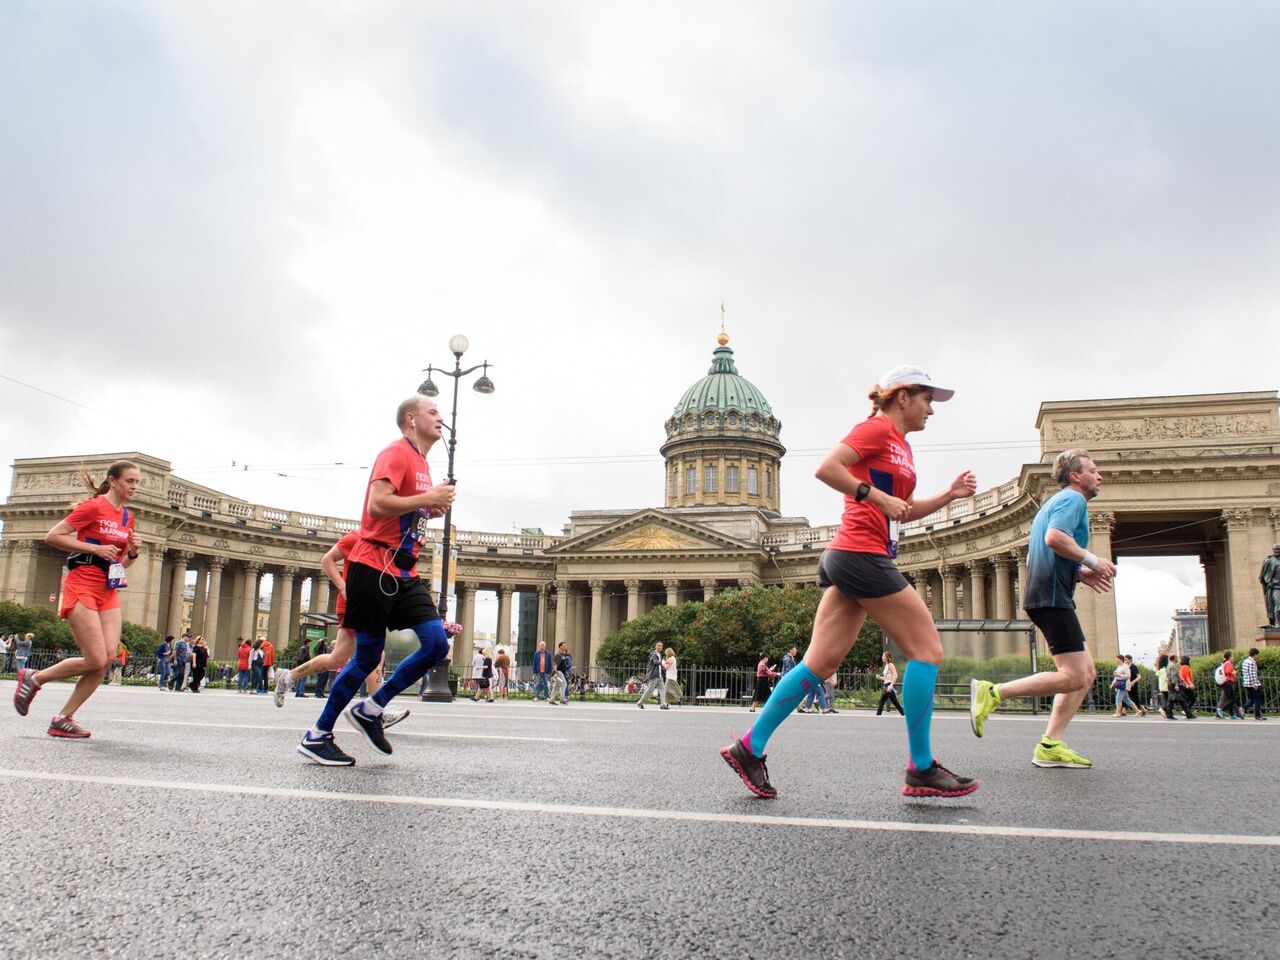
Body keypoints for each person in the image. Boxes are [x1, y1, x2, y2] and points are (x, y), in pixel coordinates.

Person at [724, 367, 980, 798]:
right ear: (903, 396)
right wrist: (875, 496)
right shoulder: (875, 429)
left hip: (854, 555)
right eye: (927, 399)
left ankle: (749, 747)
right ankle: (920, 767)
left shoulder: (901, 446)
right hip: (860, 553)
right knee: (927, 650)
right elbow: (828, 468)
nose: (932, 409)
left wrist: (948, 496)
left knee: (819, 664)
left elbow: (903, 510)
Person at [297, 395, 456, 766]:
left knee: (435, 644)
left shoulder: (421, 463)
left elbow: (403, 511)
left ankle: (372, 708)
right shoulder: (396, 453)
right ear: (410, 419)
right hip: (374, 567)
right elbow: (377, 505)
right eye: (432, 412)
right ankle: (317, 735)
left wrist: (428, 508)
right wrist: (427, 497)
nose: (440, 419)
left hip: (405, 570)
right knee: (365, 657)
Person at [970, 449, 1115, 770]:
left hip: (1050, 595)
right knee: (1075, 675)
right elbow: (1054, 538)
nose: (1099, 475)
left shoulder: (1055, 502)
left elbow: (1049, 550)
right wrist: (1093, 560)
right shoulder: (1073, 500)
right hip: (1050, 598)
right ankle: (992, 692)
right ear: (1076, 476)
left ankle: (1051, 744)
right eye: (1093, 470)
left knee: (1085, 673)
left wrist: (1080, 574)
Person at [12, 461, 142, 738]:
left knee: (106, 659)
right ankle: (35, 677)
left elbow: (118, 563)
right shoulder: (93, 507)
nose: (134, 486)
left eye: (137, 482)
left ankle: (63, 717)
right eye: (129, 481)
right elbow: (53, 536)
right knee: (94, 658)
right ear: (113, 481)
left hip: (107, 589)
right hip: (81, 583)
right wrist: (94, 548)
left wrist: (130, 553)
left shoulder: (127, 517)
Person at [273, 533, 400, 723]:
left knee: (337, 658)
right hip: (353, 606)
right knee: (374, 652)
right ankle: (378, 709)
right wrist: (342, 587)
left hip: (370, 606)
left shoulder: (387, 545)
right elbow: (327, 559)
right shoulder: (357, 538)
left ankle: (287, 676)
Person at [635, 641, 668, 709]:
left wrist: (663, 668)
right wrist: (662, 662)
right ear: (656, 646)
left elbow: (659, 665)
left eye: (661, 646)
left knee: (662, 690)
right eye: (658, 645)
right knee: (649, 690)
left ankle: (663, 704)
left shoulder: (660, 655)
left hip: (659, 676)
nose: (660, 647)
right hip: (654, 675)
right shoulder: (653, 654)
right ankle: (640, 702)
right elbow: (655, 662)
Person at [1215, 651, 1244, 720]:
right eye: (1232, 656)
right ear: (1230, 657)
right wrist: (1233, 672)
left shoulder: (1225, 663)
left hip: (1226, 683)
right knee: (1232, 699)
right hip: (1228, 683)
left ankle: (1232, 715)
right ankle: (1221, 709)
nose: (1233, 658)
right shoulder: (1228, 663)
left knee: (1230, 699)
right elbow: (1227, 671)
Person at [876, 651, 904, 716]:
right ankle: (904, 715)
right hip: (887, 685)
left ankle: (877, 716)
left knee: (882, 701)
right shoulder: (886, 666)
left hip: (889, 685)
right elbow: (886, 678)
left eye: (883, 656)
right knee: (895, 703)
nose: (882, 657)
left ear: (887, 657)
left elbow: (895, 675)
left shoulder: (891, 665)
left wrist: (891, 686)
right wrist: (880, 677)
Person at [1167, 654, 1194, 719]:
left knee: (1179, 700)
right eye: (1177, 658)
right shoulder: (1173, 666)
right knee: (1176, 700)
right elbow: (1174, 676)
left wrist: (1183, 682)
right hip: (1173, 684)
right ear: (1174, 658)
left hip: (1171, 683)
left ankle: (1188, 714)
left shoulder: (1169, 665)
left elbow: (1177, 676)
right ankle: (1188, 714)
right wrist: (1176, 685)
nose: (1178, 659)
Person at [1242, 648, 1265, 720]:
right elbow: (1252, 674)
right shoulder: (1252, 662)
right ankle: (1257, 716)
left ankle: (1243, 708)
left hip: (1246, 683)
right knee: (1257, 699)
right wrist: (1255, 684)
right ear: (1254, 655)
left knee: (1252, 699)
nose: (1257, 657)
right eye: (1257, 655)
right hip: (1252, 683)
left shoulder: (1245, 661)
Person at [1155, 654, 1174, 719]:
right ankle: (1163, 709)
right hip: (1166, 685)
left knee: (1166, 699)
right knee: (1169, 700)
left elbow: (1157, 674)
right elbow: (1167, 677)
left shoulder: (1160, 669)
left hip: (1162, 686)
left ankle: (1165, 711)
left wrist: (1157, 662)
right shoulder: (1166, 668)